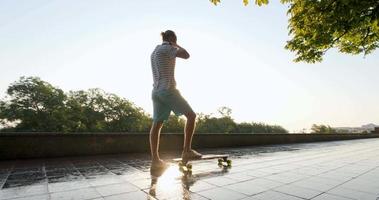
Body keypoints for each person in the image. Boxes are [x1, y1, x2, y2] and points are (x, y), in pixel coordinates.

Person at [150, 30, 202, 170]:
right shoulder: (168, 47)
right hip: (168, 90)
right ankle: (187, 151)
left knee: (157, 124)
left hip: (156, 91)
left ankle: (155, 159)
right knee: (191, 116)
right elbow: (186, 55)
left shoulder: (155, 50)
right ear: (172, 38)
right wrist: (176, 44)